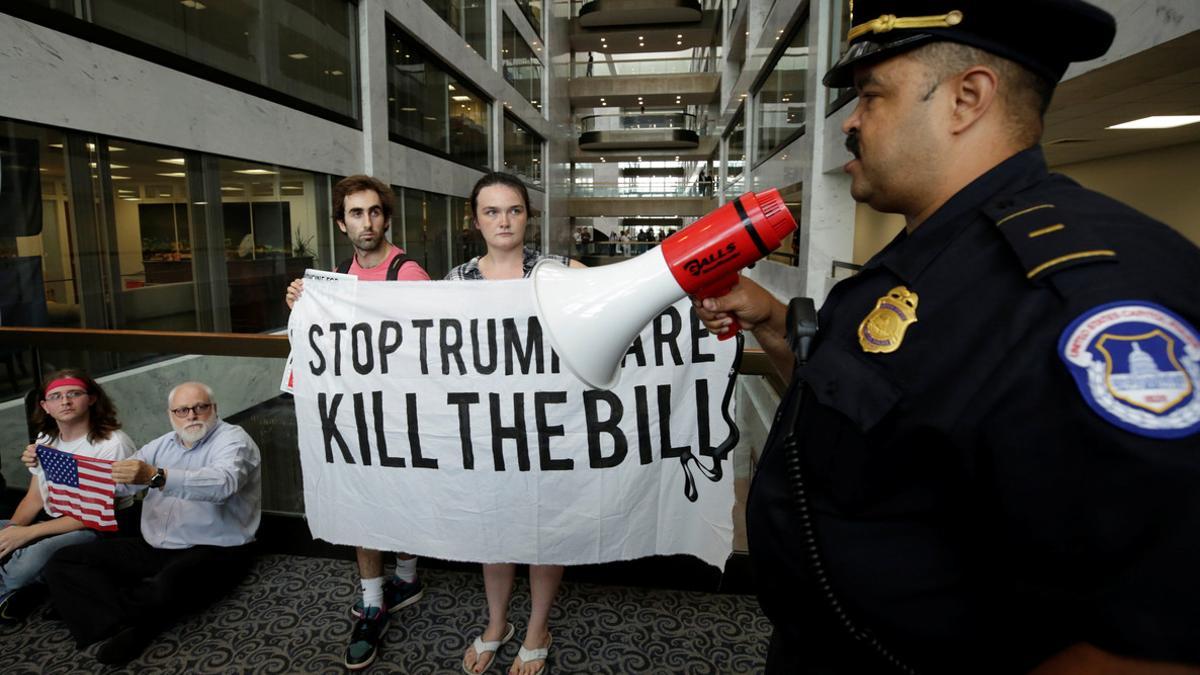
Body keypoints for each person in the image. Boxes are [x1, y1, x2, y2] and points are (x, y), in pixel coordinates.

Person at [696, 1, 1200, 672]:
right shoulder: (921, 263)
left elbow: (1145, 637)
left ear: (967, 98)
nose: (850, 120)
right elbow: (871, 422)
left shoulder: (1083, 299)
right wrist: (770, 319)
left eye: (871, 95)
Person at [285, 174, 431, 670]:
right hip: (353, 417)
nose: (366, 223)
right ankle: (373, 600)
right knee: (360, 503)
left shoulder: (408, 274)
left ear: (386, 218)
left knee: (404, 497)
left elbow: (433, 347)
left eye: (374, 212)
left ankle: (407, 578)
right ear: (341, 222)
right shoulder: (331, 283)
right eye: (355, 213)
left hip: (401, 414)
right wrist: (301, 310)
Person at [447, 172, 584, 675]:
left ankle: (537, 628)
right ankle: (497, 622)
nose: (504, 221)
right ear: (475, 219)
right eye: (491, 211)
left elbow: (607, 308)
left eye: (514, 210)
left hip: (548, 423)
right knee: (495, 531)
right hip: (485, 427)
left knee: (545, 530)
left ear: (528, 215)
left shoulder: (557, 271)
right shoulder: (456, 280)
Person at [39, 382, 261, 665]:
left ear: (214, 409)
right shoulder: (161, 444)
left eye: (200, 407)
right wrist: (46, 466)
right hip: (155, 545)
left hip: (215, 548)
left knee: (165, 586)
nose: (191, 415)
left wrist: (157, 476)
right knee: (63, 562)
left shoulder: (233, 440)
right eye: (182, 410)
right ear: (170, 414)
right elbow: (115, 485)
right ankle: (126, 616)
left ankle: (121, 619)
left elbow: (223, 484)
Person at [0, 370, 136, 622]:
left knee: (27, 562)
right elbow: (35, 498)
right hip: (54, 520)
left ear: (92, 399)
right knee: (7, 536)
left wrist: (27, 535)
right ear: (45, 406)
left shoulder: (112, 443)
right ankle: (19, 585)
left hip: (99, 526)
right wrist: (12, 530)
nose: (65, 401)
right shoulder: (45, 439)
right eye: (56, 396)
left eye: (74, 394)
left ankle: (14, 585)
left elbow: (95, 514)